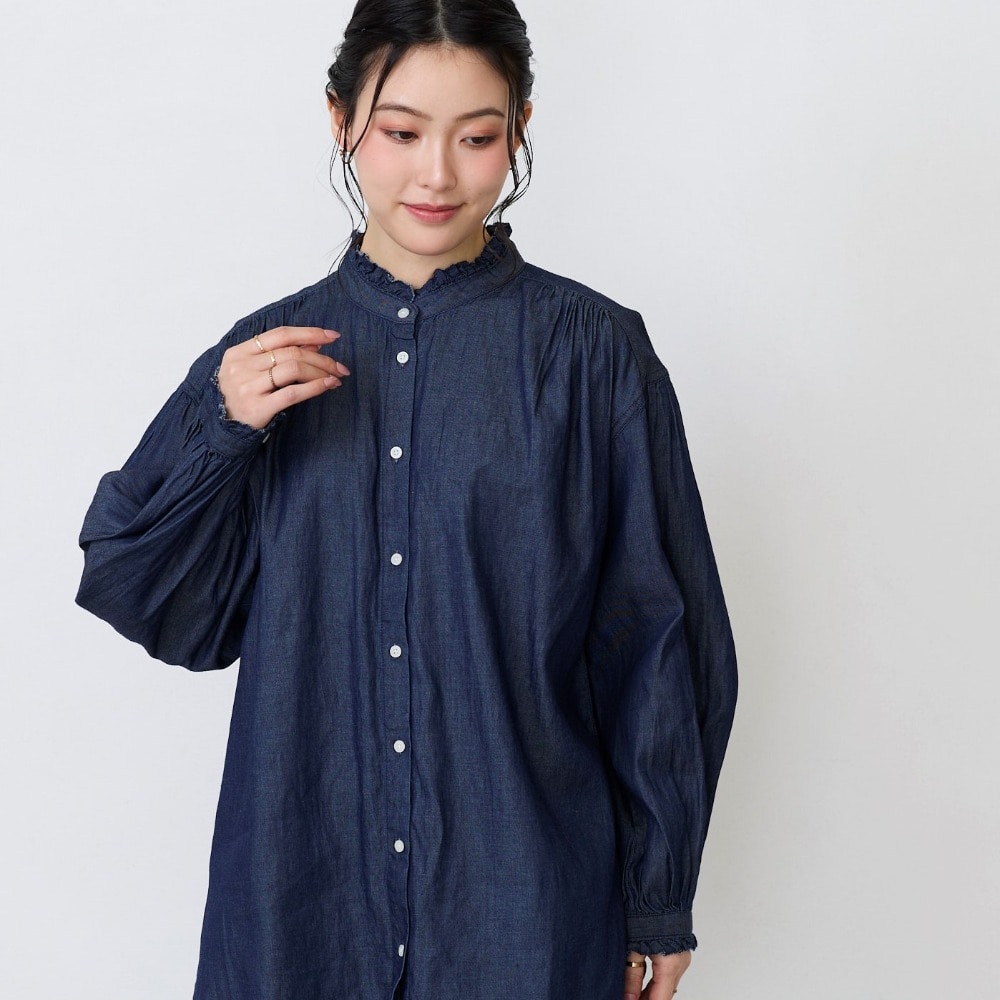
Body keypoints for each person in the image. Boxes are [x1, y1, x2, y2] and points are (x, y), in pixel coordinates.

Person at [75, 1, 738, 997]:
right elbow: (147, 594)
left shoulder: (595, 357)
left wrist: (658, 896)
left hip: (523, 909)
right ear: (340, 118)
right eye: (400, 132)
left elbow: (658, 640)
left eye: (476, 137)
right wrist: (220, 428)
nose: (437, 175)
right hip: (299, 906)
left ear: (520, 128)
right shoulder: (261, 363)